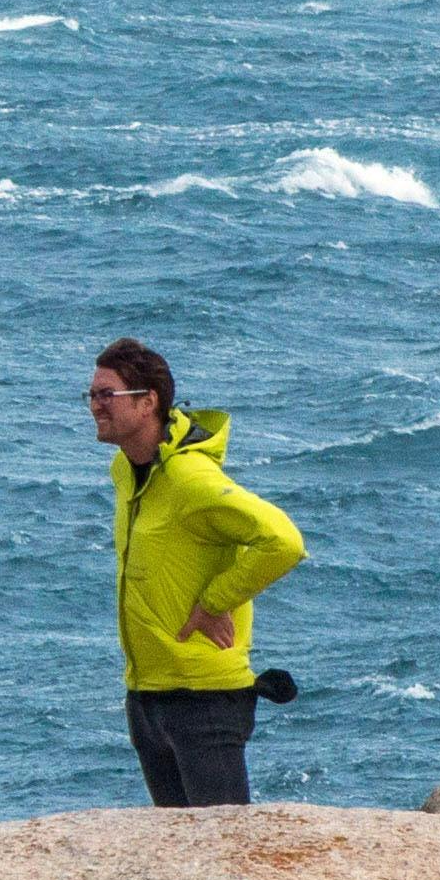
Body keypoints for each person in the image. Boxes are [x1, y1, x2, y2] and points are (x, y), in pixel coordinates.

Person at [87, 337, 307, 806]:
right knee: (177, 863)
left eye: (107, 395)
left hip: (204, 700)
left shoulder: (192, 480)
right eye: (91, 395)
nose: (95, 406)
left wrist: (214, 602)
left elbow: (284, 541)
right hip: (147, 694)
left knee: (223, 860)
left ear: (148, 403)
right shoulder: (126, 472)